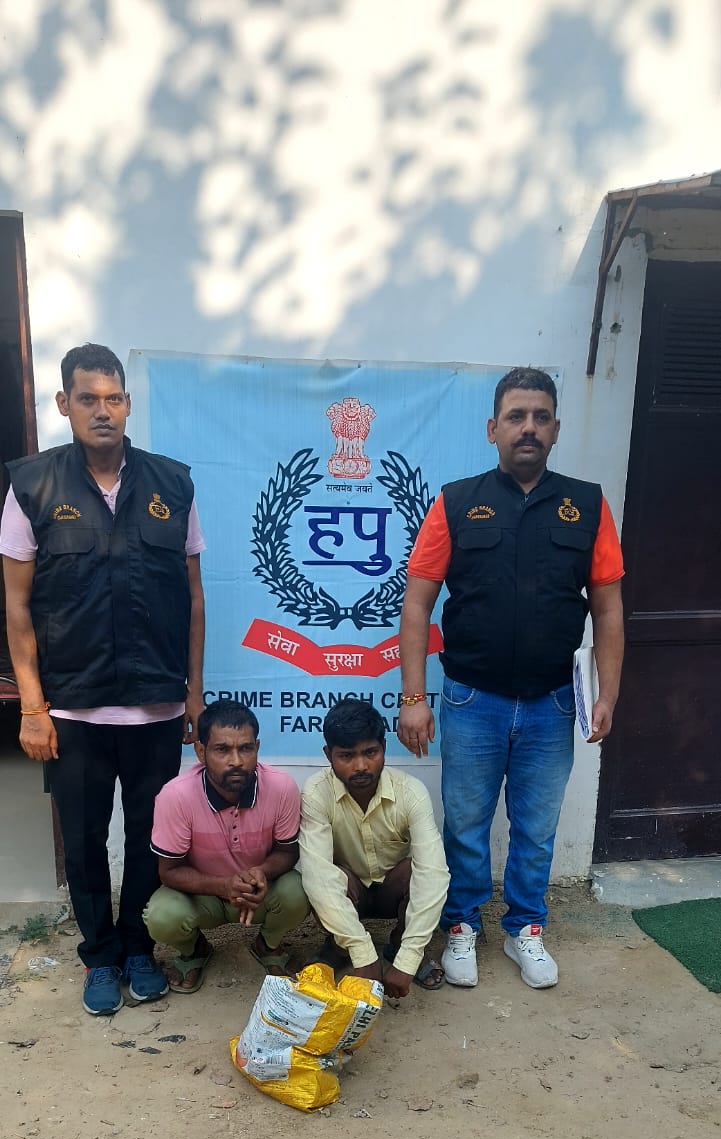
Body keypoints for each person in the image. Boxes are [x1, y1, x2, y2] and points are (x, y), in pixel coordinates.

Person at [397, 366, 624, 990]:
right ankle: (462, 926)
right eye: (516, 417)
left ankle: (526, 927)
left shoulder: (588, 505)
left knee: (536, 828)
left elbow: (607, 608)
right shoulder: (454, 501)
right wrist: (413, 697)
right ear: (492, 428)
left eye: (540, 417)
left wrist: (607, 693)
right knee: (466, 822)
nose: (529, 428)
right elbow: (417, 602)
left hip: (554, 701)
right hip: (473, 699)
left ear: (556, 429)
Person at [0, 343, 206, 1016]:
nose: (102, 411)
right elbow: (17, 607)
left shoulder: (173, 484)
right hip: (74, 712)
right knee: (86, 842)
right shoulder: (32, 486)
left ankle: (139, 948)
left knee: (151, 838)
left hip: (155, 709)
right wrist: (33, 707)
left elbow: (193, 598)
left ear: (128, 404)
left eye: (113, 398)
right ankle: (100, 956)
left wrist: (194, 693)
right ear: (64, 403)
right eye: (87, 398)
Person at [143, 701, 310, 989]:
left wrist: (260, 873)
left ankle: (268, 945)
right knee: (161, 916)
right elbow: (168, 871)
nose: (236, 761)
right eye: (222, 750)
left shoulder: (282, 788)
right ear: (201, 752)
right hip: (203, 896)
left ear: (257, 747)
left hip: (258, 892)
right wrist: (224, 886)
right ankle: (194, 950)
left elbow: (287, 852)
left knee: (300, 891)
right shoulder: (176, 796)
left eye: (246, 748)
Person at [299, 699, 449, 998]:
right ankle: (341, 946)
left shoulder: (411, 792)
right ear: (328, 755)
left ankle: (400, 945)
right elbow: (317, 876)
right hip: (352, 891)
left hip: (391, 891)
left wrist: (409, 959)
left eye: (370, 752)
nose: (360, 766)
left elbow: (433, 874)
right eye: (346, 755)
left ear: (384, 747)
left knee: (421, 872)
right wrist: (364, 955)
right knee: (323, 876)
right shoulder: (316, 792)